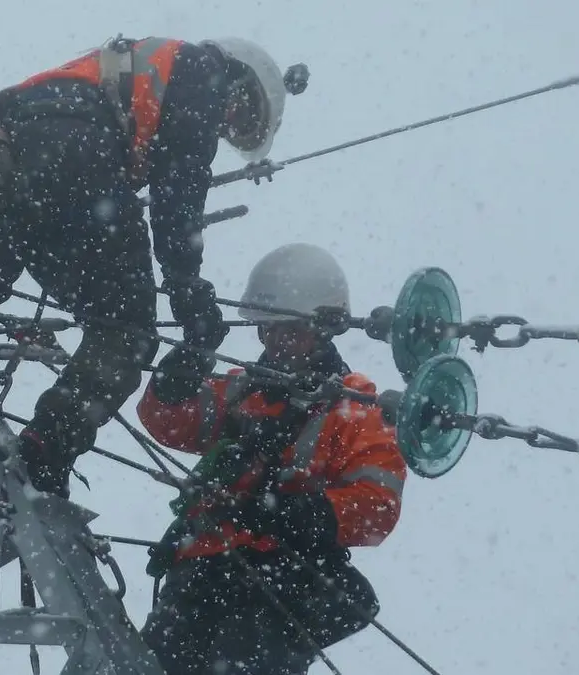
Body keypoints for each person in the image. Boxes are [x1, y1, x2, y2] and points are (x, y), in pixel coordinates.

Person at [0, 35, 304, 551]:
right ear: (238, 78)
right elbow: (179, 193)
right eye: (239, 114)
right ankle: (47, 447)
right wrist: (189, 293)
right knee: (125, 332)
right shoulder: (202, 68)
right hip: (69, 162)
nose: (226, 125)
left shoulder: (123, 66)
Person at [135, 243, 407, 675]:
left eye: (291, 331)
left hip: (282, 576)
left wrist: (282, 512)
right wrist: (190, 354)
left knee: (243, 658)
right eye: (268, 330)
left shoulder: (355, 407)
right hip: (202, 573)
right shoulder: (243, 388)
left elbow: (377, 505)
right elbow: (167, 420)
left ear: (324, 330)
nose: (278, 342)